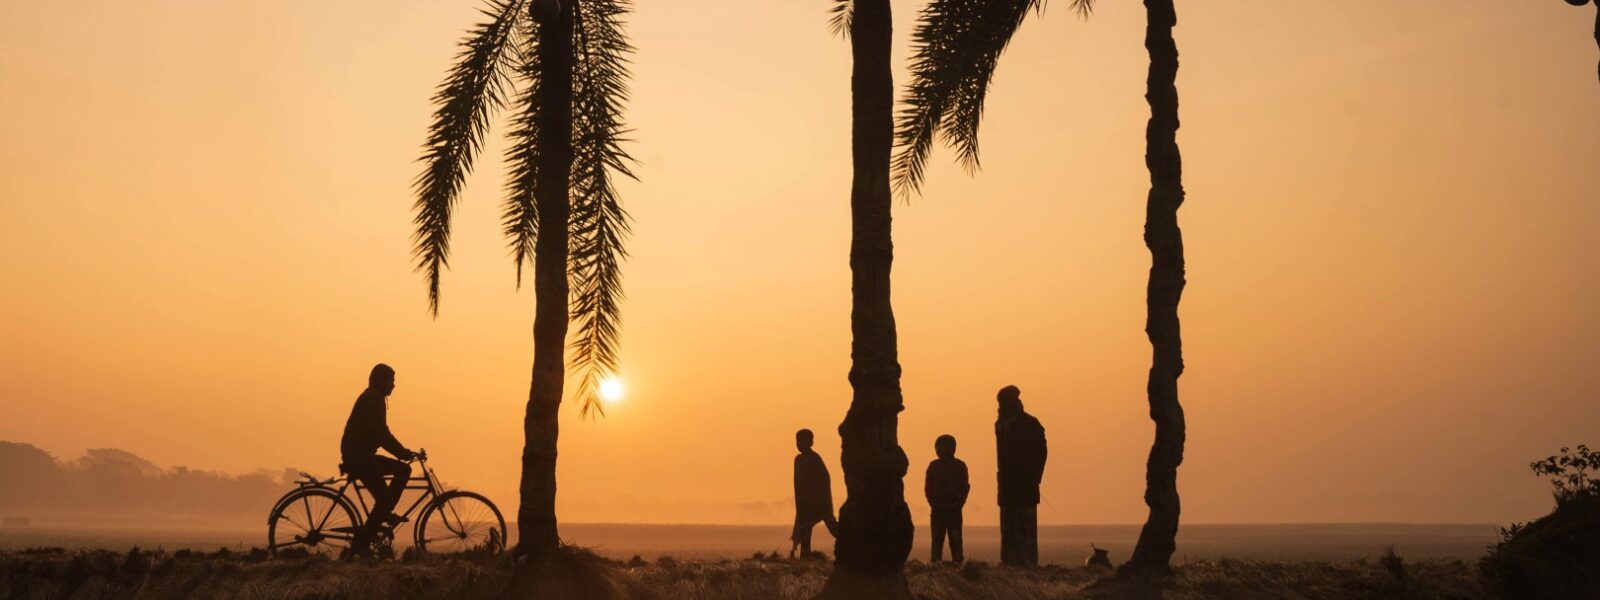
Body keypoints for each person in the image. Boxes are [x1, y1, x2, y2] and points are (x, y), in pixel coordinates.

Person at [340, 363, 417, 556]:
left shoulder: (375, 398)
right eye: (391, 380)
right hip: (359, 457)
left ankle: (384, 512)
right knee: (385, 497)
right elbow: (381, 434)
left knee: (403, 471)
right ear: (380, 381)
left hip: (363, 455)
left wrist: (403, 452)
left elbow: (381, 434)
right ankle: (362, 544)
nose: (393, 385)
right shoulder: (372, 399)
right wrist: (403, 453)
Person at [995, 385, 1047, 567]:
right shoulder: (1000, 425)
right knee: (1008, 529)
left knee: (1026, 530)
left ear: (1015, 402)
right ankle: (1009, 563)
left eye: (1005, 402)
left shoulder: (1031, 424)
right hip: (1007, 487)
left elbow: (1042, 453)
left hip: (1025, 486)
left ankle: (1029, 565)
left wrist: (1035, 477)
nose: (1001, 407)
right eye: (1000, 403)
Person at [790, 428, 838, 558]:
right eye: (797, 441)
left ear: (810, 442)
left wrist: (817, 498)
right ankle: (805, 556)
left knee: (833, 527)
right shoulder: (798, 460)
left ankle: (851, 546)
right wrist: (802, 502)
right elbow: (798, 484)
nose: (799, 444)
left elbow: (824, 479)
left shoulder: (814, 459)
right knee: (805, 528)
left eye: (802, 441)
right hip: (805, 504)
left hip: (820, 502)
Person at [925, 434, 970, 563]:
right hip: (938, 508)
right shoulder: (933, 466)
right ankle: (935, 566)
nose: (938, 450)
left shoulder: (959, 466)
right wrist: (933, 503)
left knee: (955, 540)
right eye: (936, 447)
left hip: (954, 508)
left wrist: (960, 503)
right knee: (937, 541)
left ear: (951, 448)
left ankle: (958, 566)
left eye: (940, 447)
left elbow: (965, 487)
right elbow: (928, 488)